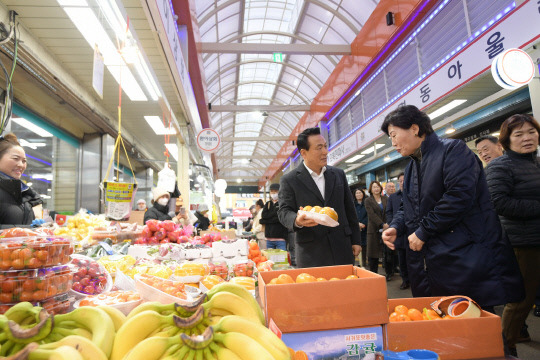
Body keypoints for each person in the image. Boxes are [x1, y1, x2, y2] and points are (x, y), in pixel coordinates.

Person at [380, 105, 523, 311]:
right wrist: (397, 226)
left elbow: (459, 196)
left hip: (463, 257)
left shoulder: (453, 150)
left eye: (394, 135)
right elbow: (409, 206)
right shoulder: (412, 166)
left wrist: (424, 231)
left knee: (473, 321)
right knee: (444, 322)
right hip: (435, 259)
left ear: (414, 128)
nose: (392, 143)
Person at [485, 114, 540, 357]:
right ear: (506, 141)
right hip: (522, 242)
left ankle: (517, 336)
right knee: (520, 301)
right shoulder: (500, 166)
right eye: (518, 134)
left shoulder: (537, 163)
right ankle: (503, 348)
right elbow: (499, 203)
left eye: (531, 132)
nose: (527, 138)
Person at [278, 127, 361, 267]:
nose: (325, 152)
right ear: (304, 153)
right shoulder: (290, 179)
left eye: (325, 146)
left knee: (345, 286)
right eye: (319, 148)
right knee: (316, 288)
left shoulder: (338, 174)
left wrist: (356, 240)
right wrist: (297, 220)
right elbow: (283, 211)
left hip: (342, 246)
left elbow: (349, 209)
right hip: (311, 251)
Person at [0, 133, 43, 227]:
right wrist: (23, 231)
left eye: (24, 161)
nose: (21, 165)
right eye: (16, 159)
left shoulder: (26, 193)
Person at [386, 173, 409, 289]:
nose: (402, 182)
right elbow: (389, 212)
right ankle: (405, 280)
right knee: (402, 258)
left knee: (413, 258)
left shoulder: (412, 194)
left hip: (411, 233)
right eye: (400, 181)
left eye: (404, 180)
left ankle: (414, 279)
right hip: (398, 232)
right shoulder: (393, 197)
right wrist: (392, 225)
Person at [364, 181, 389, 276]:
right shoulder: (368, 200)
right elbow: (371, 214)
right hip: (374, 229)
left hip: (387, 228)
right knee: (373, 254)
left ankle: (388, 274)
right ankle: (374, 274)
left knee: (386, 252)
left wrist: (387, 224)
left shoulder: (385, 198)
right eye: (374, 187)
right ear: (371, 189)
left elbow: (389, 211)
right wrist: (382, 224)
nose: (376, 189)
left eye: (377, 186)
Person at [260, 183, 288, 251]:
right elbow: (263, 216)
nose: (273, 193)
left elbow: (280, 219)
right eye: (271, 191)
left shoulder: (283, 203)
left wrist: (267, 219)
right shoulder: (268, 204)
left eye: (275, 191)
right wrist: (275, 213)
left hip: (281, 238)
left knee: (281, 260)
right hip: (269, 238)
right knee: (270, 260)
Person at [353, 188, 368, 268]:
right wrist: (357, 224)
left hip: (366, 228)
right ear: (355, 195)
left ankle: (365, 264)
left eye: (360, 193)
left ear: (363, 194)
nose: (358, 194)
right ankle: (359, 263)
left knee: (365, 245)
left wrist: (364, 224)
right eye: (357, 193)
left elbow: (369, 215)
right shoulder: (352, 204)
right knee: (357, 244)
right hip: (356, 228)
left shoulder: (367, 203)